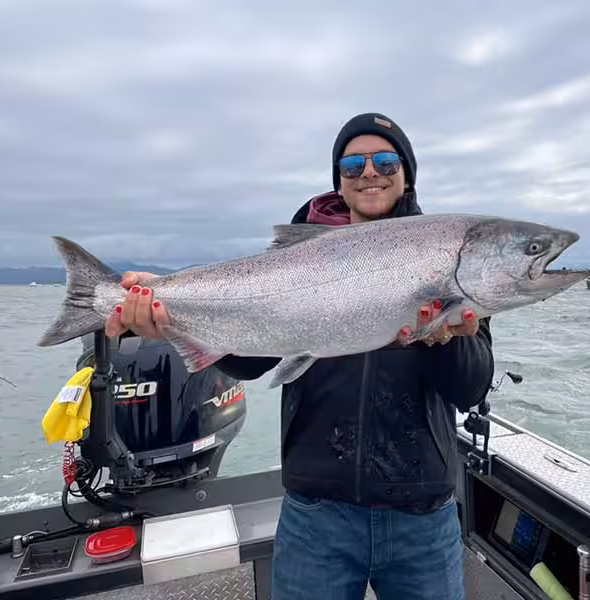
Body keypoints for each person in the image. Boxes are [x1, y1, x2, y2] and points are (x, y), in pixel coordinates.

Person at [105, 112, 495, 600]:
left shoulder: (446, 258)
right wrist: (173, 320)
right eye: (352, 164)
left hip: (422, 515)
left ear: (406, 172)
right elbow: (253, 362)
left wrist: (449, 341)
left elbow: (471, 388)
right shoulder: (298, 258)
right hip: (316, 518)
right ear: (339, 180)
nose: (369, 172)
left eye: (385, 160)